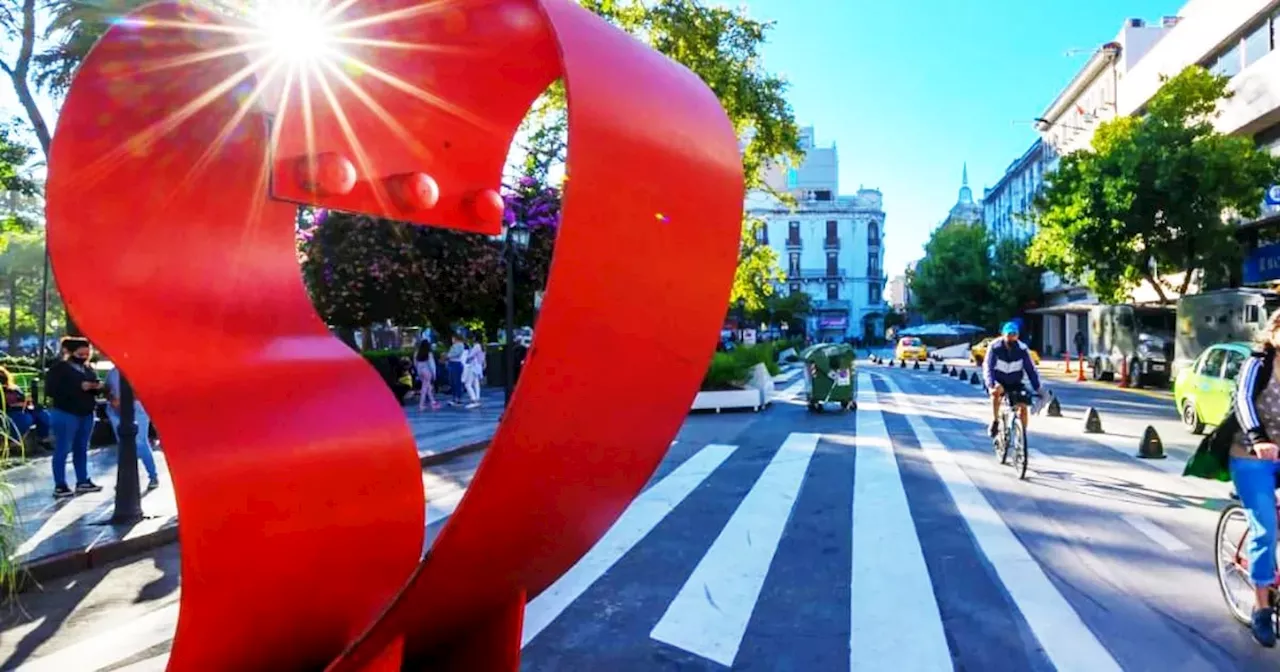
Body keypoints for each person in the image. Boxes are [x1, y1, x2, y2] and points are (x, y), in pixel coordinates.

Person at [1228, 309, 1280, 647]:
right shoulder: (1259, 363)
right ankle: (1261, 607)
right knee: (1266, 527)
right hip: (1251, 456)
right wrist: (1259, 438)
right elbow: (1242, 399)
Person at [45, 337, 104, 498]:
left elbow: (95, 385)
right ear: (69, 352)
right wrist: (78, 387)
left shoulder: (88, 369)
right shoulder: (59, 369)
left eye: (87, 353)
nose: (84, 356)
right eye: (81, 353)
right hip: (65, 412)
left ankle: (83, 480)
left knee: (82, 448)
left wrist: (96, 387)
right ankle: (60, 484)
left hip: (86, 412)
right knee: (63, 448)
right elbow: (51, 390)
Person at [103, 365, 160, 491]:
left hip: (137, 408)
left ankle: (152, 475)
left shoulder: (139, 370)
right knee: (122, 444)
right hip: (115, 410)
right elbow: (107, 389)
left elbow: (147, 390)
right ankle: (124, 479)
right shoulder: (112, 372)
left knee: (140, 442)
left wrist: (126, 398)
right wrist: (112, 399)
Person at [983, 321, 1043, 439]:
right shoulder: (995, 347)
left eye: (1014, 335)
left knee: (1023, 405)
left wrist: (1038, 388)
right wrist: (991, 384)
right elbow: (988, 367)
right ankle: (995, 421)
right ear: (1003, 335)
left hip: (1015, 382)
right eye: (1009, 335)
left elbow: (1031, 370)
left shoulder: (1022, 349)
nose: (1012, 337)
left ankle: (1022, 436)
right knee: (997, 392)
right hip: (998, 380)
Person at [0, 367, 50, 447]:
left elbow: (23, 398)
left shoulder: (14, 388)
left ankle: (43, 439)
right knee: (25, 418)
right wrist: (15, 405)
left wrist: (28, 401)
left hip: (23, 409)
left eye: (3, 376)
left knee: (43, 414)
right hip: (9, 413)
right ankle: (12, 440)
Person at [414, 339, 440, 411]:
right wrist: (434, 374)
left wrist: (418, 371)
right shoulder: (429, 353)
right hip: (427, 371)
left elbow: (415, 363)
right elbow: (432, 365)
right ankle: (421, 405)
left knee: (427, 386)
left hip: (420, 371)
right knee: (425, 388)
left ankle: (433, 402)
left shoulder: (417, 353)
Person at [462, 337, 485, 409]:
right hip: (478, 366)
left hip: (473, 366)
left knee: (467, 384)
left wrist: (465, 358)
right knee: (476, 383)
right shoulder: (482, 346)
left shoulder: (476, 346)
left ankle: (473, 399)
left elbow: (470, 356)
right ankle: (477, 399)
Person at [446, 333, 466, 406]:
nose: (452, 340)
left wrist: (448, 355)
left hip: (456, 364)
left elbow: (457, 353)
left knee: (456, 382)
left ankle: (458, 398)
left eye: (453, 338)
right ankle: (454, 398)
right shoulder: (455, 345)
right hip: (452, 363)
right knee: (452, 382)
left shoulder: (459, 345)